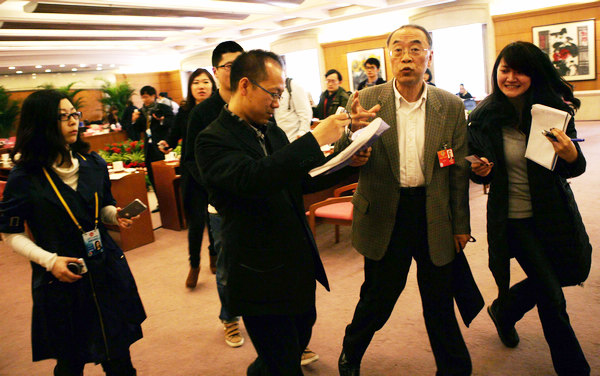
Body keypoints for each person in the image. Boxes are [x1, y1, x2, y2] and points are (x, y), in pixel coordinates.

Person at [195, 49, 372, 375]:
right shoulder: (212, 140)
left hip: (296, 263)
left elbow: (298, 179)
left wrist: (349, 156)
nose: (278, 103)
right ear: (245, 85)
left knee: (296, 340)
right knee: (282, 360)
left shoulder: (270, 130)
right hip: (258, 274)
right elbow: (254, 179)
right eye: (273, 94)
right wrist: (313, 139)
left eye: (281, 94)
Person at [337, 24, 473, 376]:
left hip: (433, 211)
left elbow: (457, 172)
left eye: (415, 48)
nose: (406, 57)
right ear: (389, 57)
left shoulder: (450, 105)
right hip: (385, 212)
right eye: (397, 49)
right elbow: (339, 154)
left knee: (439, 301)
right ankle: (351, 350)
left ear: (429, 55)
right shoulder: (365, 100)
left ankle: (454, 368)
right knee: (378, 298)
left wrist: (461, 225)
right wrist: (353, 145)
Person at [0, 89, 146, 376]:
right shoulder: (24, 177)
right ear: (41, 122)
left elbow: (102, 206)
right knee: (70, 362)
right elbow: (10, 233)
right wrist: (49, 260)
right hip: (62, 275)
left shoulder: (94, 164)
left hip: (105, 267)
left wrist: (114, 216)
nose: (72, 122)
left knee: (119, 356)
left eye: (74, 115)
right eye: (62, 116)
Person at [468, 41, 591, 376]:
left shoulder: (553, 111)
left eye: (519, 70)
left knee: (572, 270)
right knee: (552, 297)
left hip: (553, 211)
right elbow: (472, 162)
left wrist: (570, 155)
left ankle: (504, 310)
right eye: (504, 69)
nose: (510, 77)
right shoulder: (484, 117)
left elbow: (575, 167)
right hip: (514, 218)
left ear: (533, 74)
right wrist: (478, 168)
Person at [185, 40, 246, 347]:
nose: (237, 72)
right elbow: (189, 162)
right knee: (226, 265)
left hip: (254, 199)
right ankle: (229, 317)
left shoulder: (252, 100)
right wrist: (216, 188)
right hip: (221, 204)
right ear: (216, 71)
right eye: (230, 66)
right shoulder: (202, 113)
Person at [157, 69, 216, 289]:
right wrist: (166, 144)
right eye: (196, 83)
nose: (201, 86)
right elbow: (172, 137)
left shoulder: (221, 108)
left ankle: (214, 255)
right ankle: (194, 265)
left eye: (205, 82)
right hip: (192, 173)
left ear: (213, 85)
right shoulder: (185, 111)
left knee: (214, 219)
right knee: (196, 221)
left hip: (214, 172)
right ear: (190, 87)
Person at [131, 85, 174, 196]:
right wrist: (134, 121)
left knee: (163, 173)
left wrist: (162, 120)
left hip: (161, 144)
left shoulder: (163, 108)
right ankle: (159, 200)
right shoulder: (141, 112)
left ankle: (169, 199)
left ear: (153, 96)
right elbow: (138, 129)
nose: (144, 100)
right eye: (143, 97)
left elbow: (173, 122)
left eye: (146, 97)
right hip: (148, 147)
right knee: (152, 175)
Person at [273, 76, 312, 142]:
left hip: (294, 138)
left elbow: (305, 113)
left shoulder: (293, 86)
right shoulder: (272, 88)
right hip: (279, 140)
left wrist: (302, 133)